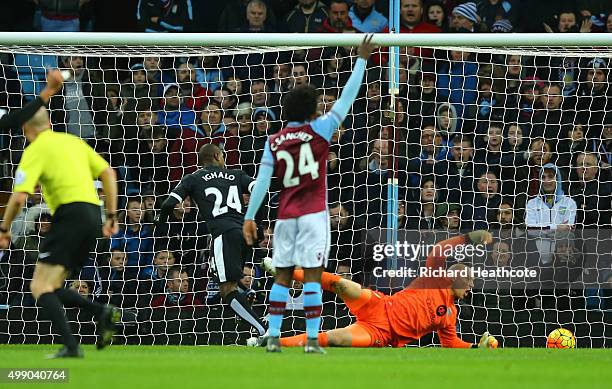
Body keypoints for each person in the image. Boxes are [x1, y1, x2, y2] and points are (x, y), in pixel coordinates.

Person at [243, 35, 375, 353]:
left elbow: (261, 181)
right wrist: (361, 60)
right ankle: (312, 340)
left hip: (285, 215)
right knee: (313, 276)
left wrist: (250, 216)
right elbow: (346, 99)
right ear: (313, 109)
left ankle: (273, 337)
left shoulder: (273, 140)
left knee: (283, 276)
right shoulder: (322, 129)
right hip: (315, 214)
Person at [0, 70, 119, 358]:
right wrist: (112, 215)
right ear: (50, 122)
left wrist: (4, 229)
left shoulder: (35, 149)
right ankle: (101, 312)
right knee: (50, 285)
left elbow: (18, 197)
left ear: (26, 130)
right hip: (93, 214)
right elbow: (108, 173)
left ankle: (73, 345)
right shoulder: (73, 141)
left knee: (39, 286)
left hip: (69, 215)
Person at [249, 232, 498, 349]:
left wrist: (477, 348)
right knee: (343, 284)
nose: (472, 284)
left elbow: (451, 343)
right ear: (455, 275)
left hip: (381, 333)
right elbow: (439, 250)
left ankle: (268, 342)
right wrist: (470, 238)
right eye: (469, 278)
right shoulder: (436, 277)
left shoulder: (450, 315)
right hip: (381, 304)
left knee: (335, 338)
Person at [157, 143, 267, 338]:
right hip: (244, 232)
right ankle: (251, 293)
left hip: (223, 234)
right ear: (217, 156)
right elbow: (260, 189)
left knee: (226, 289)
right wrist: (254, 218)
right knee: (226, 277)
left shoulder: (193, 178)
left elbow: (168, 204)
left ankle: (260, 328)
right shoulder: (236, 174)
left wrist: (161, 225)